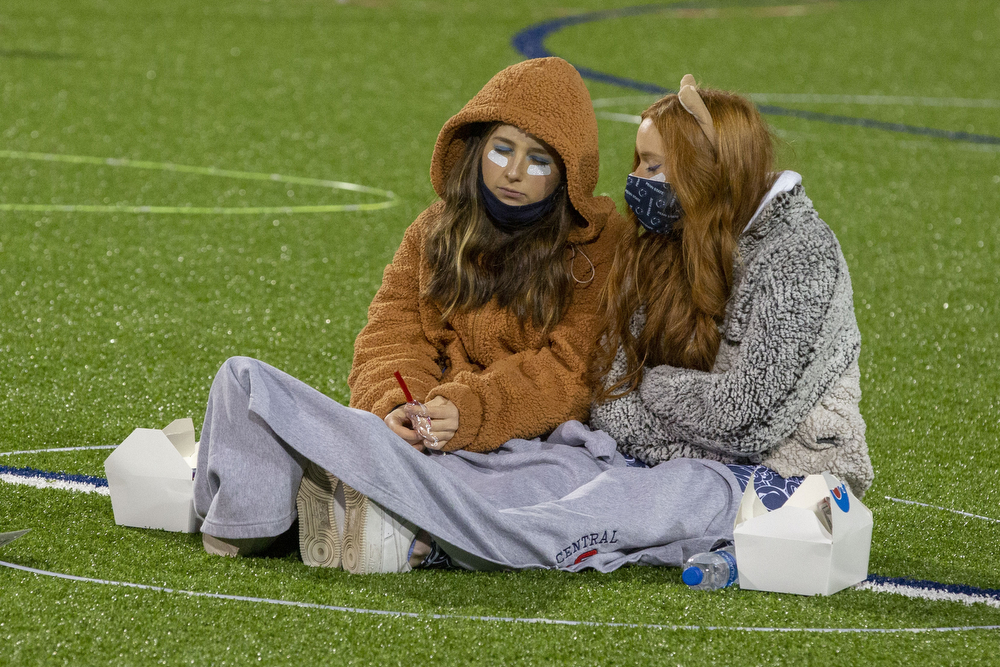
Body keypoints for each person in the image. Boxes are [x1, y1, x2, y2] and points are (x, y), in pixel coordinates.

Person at [194, 57, 657, 569]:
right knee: (244, 381)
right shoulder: (435, 228)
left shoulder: (600, 245)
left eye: (539, 160)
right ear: (478, 148)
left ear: (569, 172)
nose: (513, 171)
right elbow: (391, 336)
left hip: (524, 448)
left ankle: (376, 506)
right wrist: (394, 406)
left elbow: (572, 371)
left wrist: (472, 410)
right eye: (502, 149)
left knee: (565, 477)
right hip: (419, 435)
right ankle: (267, 518)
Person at [590, 75, 873, 505]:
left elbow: (746, 416)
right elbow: (609, 398)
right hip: (672, 464)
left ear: (710, 168)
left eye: (652, 166)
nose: (635, 180)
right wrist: (678, 453)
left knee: (608, 507)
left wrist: (654, 387)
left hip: (793, 478)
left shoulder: (802, 253)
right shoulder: (661, 239)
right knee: (560, 457)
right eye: (638, 162)